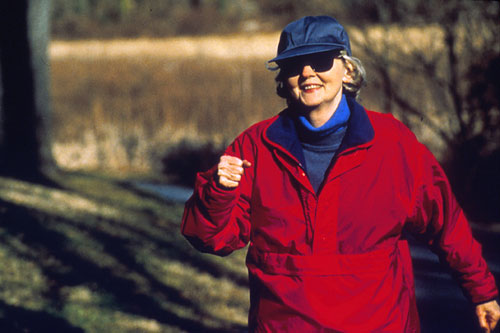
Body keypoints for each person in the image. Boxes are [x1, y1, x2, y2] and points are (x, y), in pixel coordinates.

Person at [181, 15, 500, 332]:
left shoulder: (392, 142)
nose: (307, 72)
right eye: (294, 64)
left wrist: (481, 291)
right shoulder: (254, 146)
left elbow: (446, 223)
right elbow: (208, 239)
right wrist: (218, 192)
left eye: (320, 60)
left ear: (347, 69)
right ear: (283, 78)